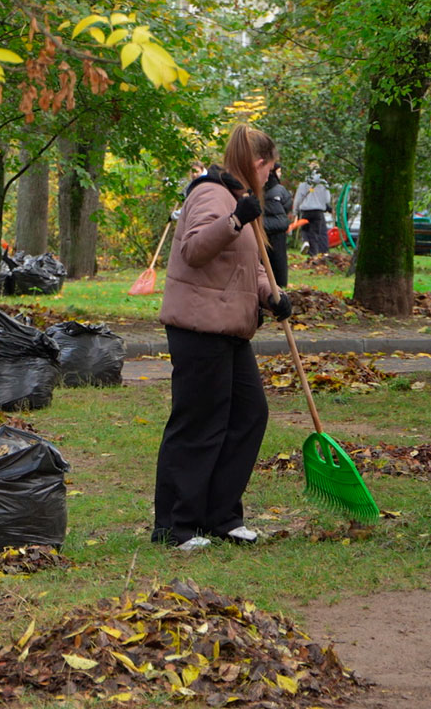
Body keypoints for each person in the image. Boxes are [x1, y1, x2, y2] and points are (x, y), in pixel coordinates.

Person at [152, 125, 293, 551]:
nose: (272, 178)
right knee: (200, 425)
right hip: (199, 327)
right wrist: (235, 220)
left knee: (250, 415)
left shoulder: (240, 198)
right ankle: (176, 527)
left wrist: (273, 296)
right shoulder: (212, 194)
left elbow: (250, 266)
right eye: (270, 169)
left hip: (231, 327)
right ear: (257, 163)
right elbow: (194, 250)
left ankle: (221, 517)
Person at [262, 163, 293, 287]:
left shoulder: (258, 187)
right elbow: (287, 204)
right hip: (277, 231)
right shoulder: (280, 189)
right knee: (278, 263)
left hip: (263, 229)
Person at [294, 166, 331, 256]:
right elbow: (327, 199)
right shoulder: (323, 183)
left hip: (306, 210)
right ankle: (313, 254)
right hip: (318, 211)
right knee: (314, 232)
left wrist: (295, 210)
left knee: (305, 229)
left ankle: (306, 241)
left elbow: (298, 198)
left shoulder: (304, 183)